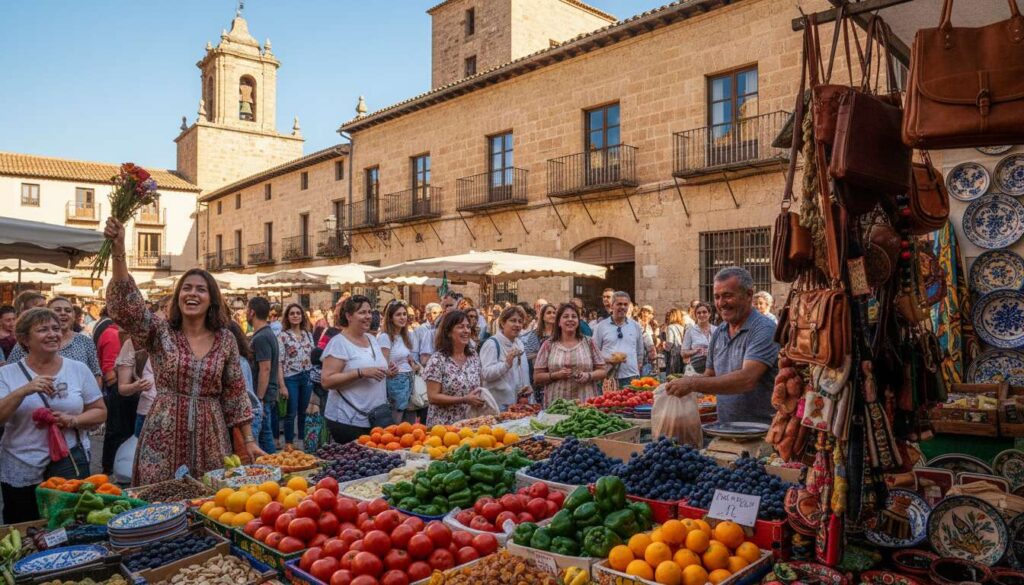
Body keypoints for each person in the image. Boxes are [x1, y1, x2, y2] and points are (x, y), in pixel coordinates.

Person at [104, 217, 260, 485]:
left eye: (201, 289)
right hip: (162, 434)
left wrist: (249, 441)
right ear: (178, 297)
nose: (192, 293)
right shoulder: (160, 331)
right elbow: (127, 307)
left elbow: (236, 395)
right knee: (159, 501)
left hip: (211, 436)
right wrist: (118, 251)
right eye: (186, 288)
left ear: (211, 299)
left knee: (208, 501)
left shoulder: (225, 340)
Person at [0, 308, 107, 523]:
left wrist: (73, 420)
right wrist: (24, 390)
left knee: (71, 521)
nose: (52, 334)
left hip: (69, 462)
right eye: (42, 329)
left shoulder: (78, 369)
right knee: (25, 524)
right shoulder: (6, 373)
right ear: (24, 339)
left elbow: (100, 411)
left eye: (56, 329)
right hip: (22, 462)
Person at [666, 267, 779, 425]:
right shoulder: (719, 332)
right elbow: (710, 376)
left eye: (728, 296)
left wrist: (692, 384)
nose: (721, 303)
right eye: (717, 297)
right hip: (725, 427)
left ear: (748, 295)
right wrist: (679, 384)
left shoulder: (764, 329)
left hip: (760, 431)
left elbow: (747, 379)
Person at [320, 295, 395, 444]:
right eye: (362, 312)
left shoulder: (372, 339)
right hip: (348, 419)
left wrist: (388, 371)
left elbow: (374, 369)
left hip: (376, 417)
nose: (368, 317)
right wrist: (360, 373)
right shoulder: (338, 343)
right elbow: (326, 381)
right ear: (348, 316)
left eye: (369, 312)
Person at [7, 298, 102, 386]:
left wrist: (92, 399)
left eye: (68, 310)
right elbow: (10, 373)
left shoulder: (85, 341)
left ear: (73, 316)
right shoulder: (28, 343)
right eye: (57, 310)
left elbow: (96, 375)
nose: (63, 313)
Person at [534, 303, 607, 406]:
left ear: (578, 321)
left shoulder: (589, 342)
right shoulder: (548, 345)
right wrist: (556, 375)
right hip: (556, 404)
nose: (570, 319)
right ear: (559, 322)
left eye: (574, 316)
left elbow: (602, 371)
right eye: (565, 316)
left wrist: (588, 375)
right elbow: (537, 377)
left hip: (585, 403)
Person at [422, 310, 484, 425]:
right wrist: (464, 399)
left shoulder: (473, 355)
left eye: (468, 327)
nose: (466, 331)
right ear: (449, 332)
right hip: (444, 428)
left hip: (469, 424)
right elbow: (432, 397)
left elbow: (480, 384)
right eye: (461, 327)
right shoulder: (438, 359)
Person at [95, 308, 128, 475]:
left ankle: (110, 465)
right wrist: (115, 385)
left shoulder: (108, 330)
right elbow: (108, 365)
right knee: (116, 429)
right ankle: (109, 467)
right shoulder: (112, 333)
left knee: (116, 429)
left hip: (119, 385)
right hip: (117, 386)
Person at [479, 305, 531, 409]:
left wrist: (525, 390)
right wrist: (506, 365)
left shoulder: (519, 345)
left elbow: (521, 375)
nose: (517, 325)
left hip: (517, 405)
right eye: (513, 320)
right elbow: (485, 374)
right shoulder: (492, 344)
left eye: (520, 321)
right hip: (497, 406)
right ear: (503, 323)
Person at [278, 303, 314, 448]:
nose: (295, 316)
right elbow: (279, 362)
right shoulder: (282, 336)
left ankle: (304, 442)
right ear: (287, 317)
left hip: (307, 376)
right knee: (290, 413)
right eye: (292, 313)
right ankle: (289, 443)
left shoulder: (308, 335)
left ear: (302, 316)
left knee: (305, 412)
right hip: (290, 377)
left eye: (298, 313)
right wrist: (282, 385)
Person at [248, 297, 281, 454]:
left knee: (264, 435)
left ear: (252, 312)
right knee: (265, 433)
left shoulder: (261, 337)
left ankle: (273, 467)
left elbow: (265, 368)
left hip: (264, 394)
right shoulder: (266, 333)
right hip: (268, 393)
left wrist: (259, 397)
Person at [378, 301, 419, 423]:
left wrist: (412, 363)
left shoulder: (405, 335)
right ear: (390, 318)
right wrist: (388, 372)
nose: (402, 317)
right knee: (397, 418)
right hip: (396, 381)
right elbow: (382, 363)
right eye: (398, 315)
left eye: (404, 314)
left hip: (409, 378)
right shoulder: (385, 337)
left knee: (410, 418)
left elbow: (407, 357)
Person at [593, 291, 644, 387]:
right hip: (608, 377)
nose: (623, 307)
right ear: (612, 306)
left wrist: (637, 367)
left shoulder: (635, 326)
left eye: (625, 304)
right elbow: (594, 352)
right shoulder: (601, 326)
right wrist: (609, 360)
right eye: (619, 304)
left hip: (631, 376)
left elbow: (640, 352)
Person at [226, 321, 263, 452]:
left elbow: (242, 393)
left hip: (246, 417)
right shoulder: (242, 359)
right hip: (250, 413)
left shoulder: (238, 362)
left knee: (246, 458)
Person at [115, 330, 156, 438]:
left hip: (179, 412)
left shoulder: (184, 338)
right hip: (147, 412)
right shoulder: (133, 343)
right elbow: (122, 388)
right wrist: (136, 386)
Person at [520, 303, 555, 404]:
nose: (552, 315)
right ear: (542, 316)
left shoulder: (560, 334)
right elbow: (527, 355)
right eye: (549, 313)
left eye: (554, 313)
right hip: (539, 374)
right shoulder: (535, 334)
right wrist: (541, 355)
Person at [681, 302, 714, 374]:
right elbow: (683, 353)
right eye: (699, 313)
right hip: (696, 369)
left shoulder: (716, 330)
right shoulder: (690, 330)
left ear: (709, 314)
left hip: (714, 368)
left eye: (704, 312)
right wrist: (695, 351)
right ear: (695, 315)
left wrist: (710, 352)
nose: (702, 315)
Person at [414, 303, 442, 367]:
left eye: (440, 312)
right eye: (435, 313)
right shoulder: (419, 329)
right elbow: (415, 351)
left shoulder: (441, 329)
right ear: (428, 315)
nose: (438, 315)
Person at [662, 308, 687, 375]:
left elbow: (670, 343)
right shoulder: (682, 327)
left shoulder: (670, 327)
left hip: (674, 356)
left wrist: (664, 345)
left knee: (672, 377)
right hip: (682, 354)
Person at [637, 305, 659, 376]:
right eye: (643, 312)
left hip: (651, 353)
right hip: (640, 352)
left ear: (651, 315)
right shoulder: (637, 323)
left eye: (647, 312)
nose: (645, 314)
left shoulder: (653, 325)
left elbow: (657, 339)